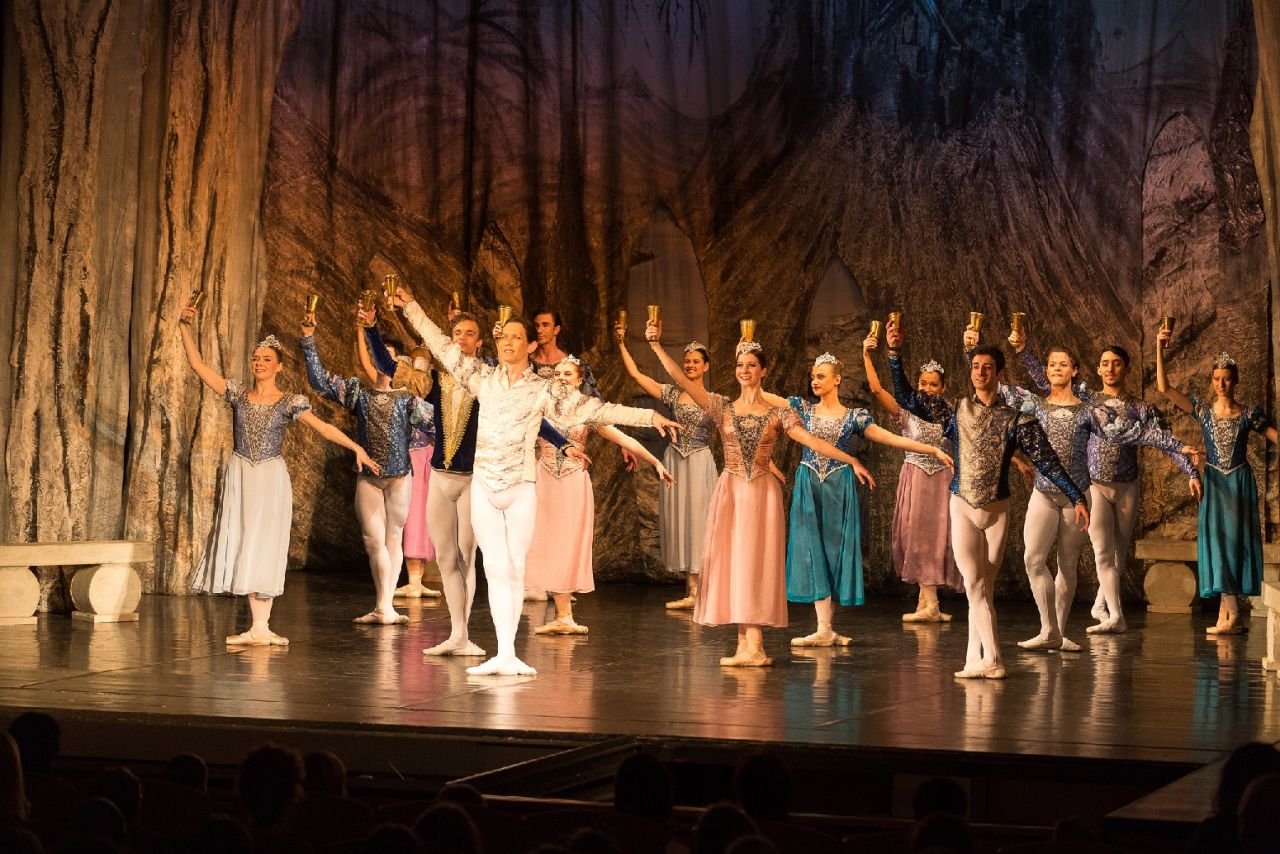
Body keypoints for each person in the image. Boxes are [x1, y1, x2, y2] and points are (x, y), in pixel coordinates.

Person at [394, 285, 682, 676]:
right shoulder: (481, 378)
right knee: (495, 567)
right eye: (504, 337)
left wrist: (650, 417)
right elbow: (440, 344)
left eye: (516, 337)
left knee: (514, 567)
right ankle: (502, 653)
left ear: (531, 346)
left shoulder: (543, 389)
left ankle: (509, 653)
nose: (507, 342)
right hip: (484, 487)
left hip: (520, 489)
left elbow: (595, 409)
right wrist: (411, 305)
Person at [647, 323, 945, 665]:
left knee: (754, 563)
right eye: (740, 365)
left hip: (760, 494)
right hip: (730, 491)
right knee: (733, 562)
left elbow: (813, 441)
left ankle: (758, 645)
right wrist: (656, 345)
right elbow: (681, 380)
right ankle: (745, 644)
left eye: (751, 365)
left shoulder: (779, 413)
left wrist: (852, 459)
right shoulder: (722, 407)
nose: (744, 370)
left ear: (763, 371)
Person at [886, 318, 1086, 679]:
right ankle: (992, 660)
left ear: (999, 373)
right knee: (975, 586)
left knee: (983, 589)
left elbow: (1048, 462)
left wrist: (1077, 498)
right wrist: (895, 354)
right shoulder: (955, 410)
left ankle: (973, 659)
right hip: (962, 504)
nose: (980, 372)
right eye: (975, 366)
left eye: (987, 367)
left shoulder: (1017, 420)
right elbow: (907, 399)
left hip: (997, 510)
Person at [181, 304, 378, 645]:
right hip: (242, 474)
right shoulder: (238, 394)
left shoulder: (289, 401)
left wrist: (356, 447)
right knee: (246, 539)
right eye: (256, 358)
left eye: (266, 359)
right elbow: (198, 366)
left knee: (266, 542)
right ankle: (257, 627)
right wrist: (184, 326)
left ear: (279, 366)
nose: (259, 363)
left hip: (270, 477)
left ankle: (263, 625)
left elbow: (323, 427)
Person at [997, 326, 1201, 650]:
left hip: (1110, 488)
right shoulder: (1078, 400)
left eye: (1116, 363)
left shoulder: (1125, 408)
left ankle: (1086, 615)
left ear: (1126, 369)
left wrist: (1184, 458)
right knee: (1073, 556)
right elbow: (1032, 384)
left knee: (1105, 556)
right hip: (1081, 485)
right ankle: (1082, 621)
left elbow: (1145, 434)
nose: (1109, 368)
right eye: (1104, 363)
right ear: (1095, 368)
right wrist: (1020, 350)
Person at [764, 353, 951, 647]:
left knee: (835, 552)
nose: (815, 381)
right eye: (813, 376)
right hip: (809, 483)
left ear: (837, 379)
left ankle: (826, 628)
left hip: (839, 486)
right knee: (811, 549)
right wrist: (750, 372)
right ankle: (823, 627)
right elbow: (763, 396)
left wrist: (931, 450)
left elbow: (889, 437)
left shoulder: (854, 416)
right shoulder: (802, 408)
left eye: (821, 376)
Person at [365, 310, 487, 656]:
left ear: (479, 342)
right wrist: (371, 328)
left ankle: (464, 635)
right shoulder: (436, 380)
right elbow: (390, 369)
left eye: (469, 333)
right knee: (446, 557)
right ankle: (456, 635)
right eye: (457, 333)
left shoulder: (487, 381)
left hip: (472, 477)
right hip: (440, 477)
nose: (462, 338)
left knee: (466, 555)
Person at [525, 356, 676, 635]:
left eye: (567, 374)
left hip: (571, 483)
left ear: (579, 380)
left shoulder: (588, 410)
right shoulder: (542, 405)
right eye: (557, 374)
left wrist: (655, 461)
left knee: (565, 545)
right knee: (546, 543)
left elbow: (624, 437)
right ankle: (562, 615)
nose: (561, 378)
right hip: (544, 480)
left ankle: (564, 615)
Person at [302, 312, 433, 625]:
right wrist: (308, 339)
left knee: (393, 538)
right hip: (369, 478)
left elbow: (437, 425)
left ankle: (386, 606)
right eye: (378, 355)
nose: (382, 361)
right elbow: (320, 381)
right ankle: (381, 605)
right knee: (373, 541)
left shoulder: (408, 400)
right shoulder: (358, 392)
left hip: (399, 478)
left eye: (389, 356)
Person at [1156, 334, 1276, 635]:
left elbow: (1273, 434)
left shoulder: (1247, 414)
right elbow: (1165, 388)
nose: (1221, 384)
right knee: (1217, 541)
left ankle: (1232, 612)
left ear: (1236, 381)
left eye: (1226, 379)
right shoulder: (1203, 411)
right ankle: (1228, 613)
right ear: (1211, 381)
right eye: (1216, 379)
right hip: (1214, 481)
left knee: (1233, 542)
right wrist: (1159, 347)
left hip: (1238, 482)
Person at [616, 329, 719, 609]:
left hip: (699, 461)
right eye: (687, 361)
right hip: (676, 460)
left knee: (700, 521)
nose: (690, 365)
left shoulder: (712, 399)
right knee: (681, 521)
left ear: (706, 366)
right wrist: (622, 343)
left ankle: (703, 591)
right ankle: (691, 590)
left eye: (696, 362)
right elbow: (636, 375)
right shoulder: (673, 394)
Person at [863, 343, 961, 622]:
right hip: (916, 478)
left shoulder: (950, 414)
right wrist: (866, 355)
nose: (927, 389)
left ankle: (931, 605)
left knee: (938, 538)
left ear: (943, 387)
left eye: (933, 384)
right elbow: (877, 390)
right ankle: (927, 603)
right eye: (923, 383)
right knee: (916, 536)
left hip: (942, 481)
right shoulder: (906, 413)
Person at [355, 328, 441, 600]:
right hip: (403, 458)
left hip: (426, 455)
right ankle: (396, 584)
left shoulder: (414, 392)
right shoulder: (387, 390)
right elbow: (367, 363)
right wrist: (361, 329)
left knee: (423, 517)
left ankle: (417, 579)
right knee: (403, 520)